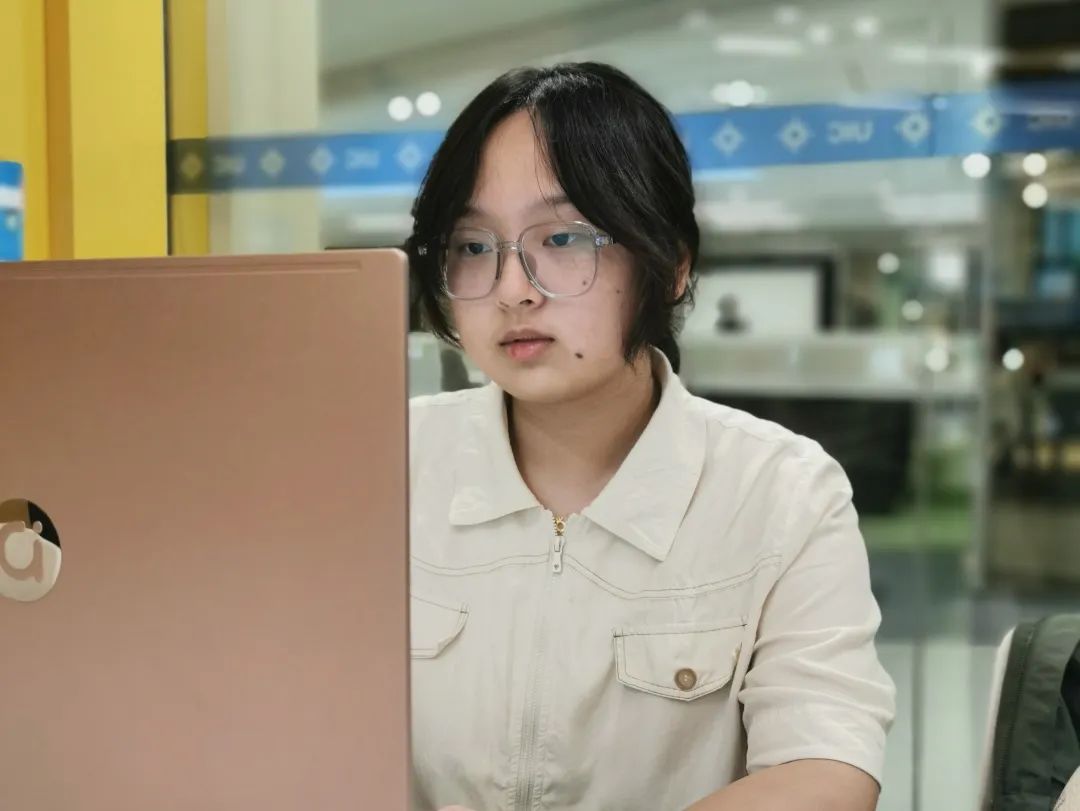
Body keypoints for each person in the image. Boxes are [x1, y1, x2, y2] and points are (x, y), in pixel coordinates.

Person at [405, 62, 895, 811]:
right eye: (472, 247)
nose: (512, 289)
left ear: (669, 265)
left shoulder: (782, 492)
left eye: (562, 237)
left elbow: (825, 768)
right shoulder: (387, 461)